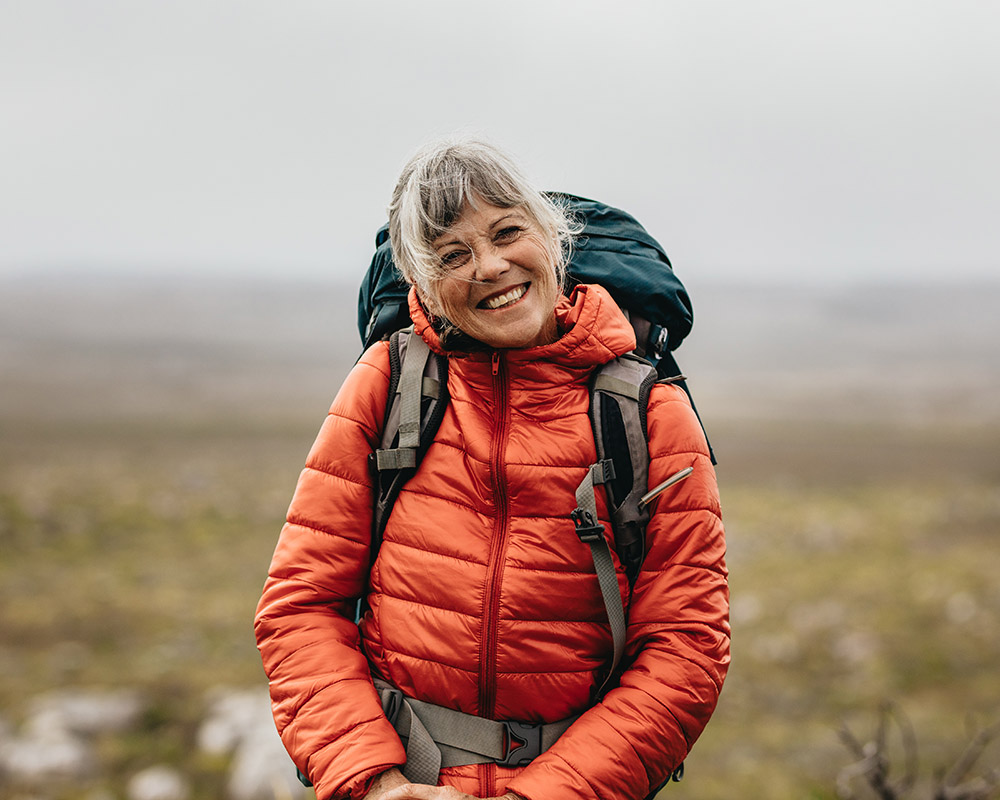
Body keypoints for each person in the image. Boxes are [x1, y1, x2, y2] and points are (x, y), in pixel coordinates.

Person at [254, 138, 729, 800]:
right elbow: (301, 606)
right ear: (424, 285)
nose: (492, 266)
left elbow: (685, 651)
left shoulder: (647, 413)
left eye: (508, 232)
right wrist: (375, 782)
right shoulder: (389, 385)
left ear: (553, 238)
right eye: (453, 255)